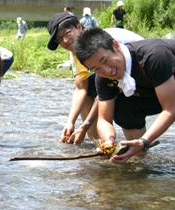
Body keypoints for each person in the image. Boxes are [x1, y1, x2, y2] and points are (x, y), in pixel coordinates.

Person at [74, 27, 175, 164]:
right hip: (156, 91)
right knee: (123, 107)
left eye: (105, 61)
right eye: (96, 69)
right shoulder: (102, 78)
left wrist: (144, 141)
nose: (107, 71)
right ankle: (138, 159)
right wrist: (109, 142)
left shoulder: (153, 56)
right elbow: (104, 119)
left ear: (116, 46)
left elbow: (171, 108)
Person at [47, 12, 144, 145]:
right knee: (87, 91)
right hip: (117, 75)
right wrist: (70, 122)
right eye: (59, 39)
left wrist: (84, 125)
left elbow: (105, 87)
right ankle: (95, 141)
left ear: (79, 26)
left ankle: (136, 149)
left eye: (67, 33)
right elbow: (80, 89)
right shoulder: (76, 53)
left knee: (124, 108)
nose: (64, 41)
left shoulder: (102, 41)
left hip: (144, 71)